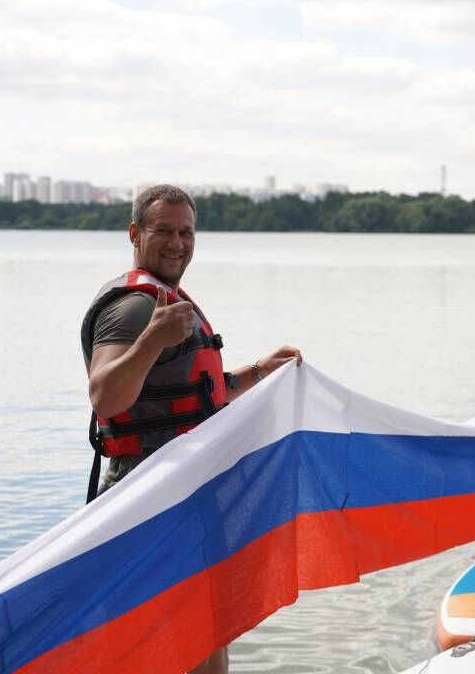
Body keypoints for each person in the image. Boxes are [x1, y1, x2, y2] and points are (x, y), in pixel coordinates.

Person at [82, 184, 303, 674]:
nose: (178, 242)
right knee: (165, 640)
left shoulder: (168, 298)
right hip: (145, 497)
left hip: (187, 495)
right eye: (164, 231)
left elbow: (198, 394)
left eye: (186, 232)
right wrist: (150, 340)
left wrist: (260, 372)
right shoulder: (133, 307)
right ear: (135, 233)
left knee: (208, 635)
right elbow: (105, 396)